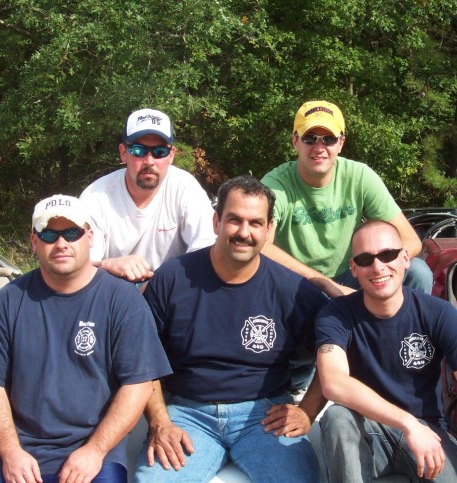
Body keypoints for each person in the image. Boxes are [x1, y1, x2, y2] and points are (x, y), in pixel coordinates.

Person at [134, 176, 328, 483]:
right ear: (216, 222)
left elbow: (335, 350)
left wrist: (307, 410)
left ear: (269, 230)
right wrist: (159, 421)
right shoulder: (172, 279)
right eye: (234, 220)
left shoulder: (293, 291)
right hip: (187, 414)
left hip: (265, 416)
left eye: (255, 223)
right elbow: (140, 357)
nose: (244, 232)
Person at [0, 194, 172, 483]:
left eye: (72, 233)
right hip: (18, 453)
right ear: (34, 241)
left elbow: (138, 386)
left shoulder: (123, 301)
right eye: (49, 234)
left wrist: (94, 451)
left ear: (89, 237)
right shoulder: (9, 301)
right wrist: (11, 453)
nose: (61, 243)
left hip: (94, 453)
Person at [315, 220, 457, 482]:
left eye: (388, 254)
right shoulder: (335, 315)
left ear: (405, 259)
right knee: (337, 416)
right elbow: (334, 383)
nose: (378, 266)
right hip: (367, 430)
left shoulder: (439, 314)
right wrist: (407, 423)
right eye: (366, 259)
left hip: (428, 434)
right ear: (354, 269)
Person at [261, 100, 433, 298]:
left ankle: (402, 327)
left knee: (418, 272)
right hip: (297, 282)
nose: (319, 147)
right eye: (310, 138)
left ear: (340, 143)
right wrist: (324, 284)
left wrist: (373, 269)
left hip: (352, 275)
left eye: (329, 139)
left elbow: (410, 241)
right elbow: (261, 246)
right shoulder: (275, 185)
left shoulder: (359, 177)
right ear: (295, 141)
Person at [79, 108, 216, 284]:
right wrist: (108, 264)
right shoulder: (95, 197)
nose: (149, 161)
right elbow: (80, 268)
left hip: (172, 290)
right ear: (123, 153)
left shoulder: (186, 188)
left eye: (160, 151)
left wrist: (159, 284)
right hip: (113, 293)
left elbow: (206, 252)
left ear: (171, 155)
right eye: (138, 150)